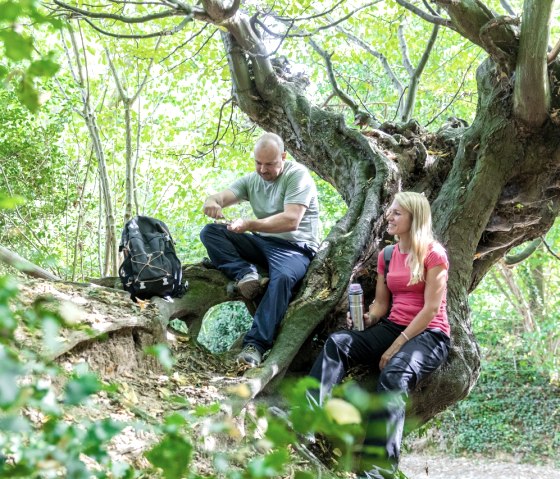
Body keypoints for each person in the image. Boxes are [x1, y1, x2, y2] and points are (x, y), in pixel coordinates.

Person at [308, 191, 450, 479]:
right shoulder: (387, 255)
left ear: (414, 218)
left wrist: (396, 346)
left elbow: (431, 308)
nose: (389, 216)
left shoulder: (434, 254)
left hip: (430, 334)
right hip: (393, 326)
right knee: (339, 343)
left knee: (395, 375)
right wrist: (368, 316)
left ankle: (378, 470)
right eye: (390, 211)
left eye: (397, 213)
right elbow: (382, 304)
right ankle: (308, 419)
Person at [200, 132, 320, 368]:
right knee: (211, 232)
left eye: (269, 164)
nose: (263, 170)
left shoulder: (298, 176)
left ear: (283, 157)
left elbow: (291, 220)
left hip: (295, 248)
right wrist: (212, 201)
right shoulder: (252, 180)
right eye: (258, 163)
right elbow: (222, 196)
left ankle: (256, 344)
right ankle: (245, 272)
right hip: (262, 242)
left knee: (283, 278)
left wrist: (249, 224)